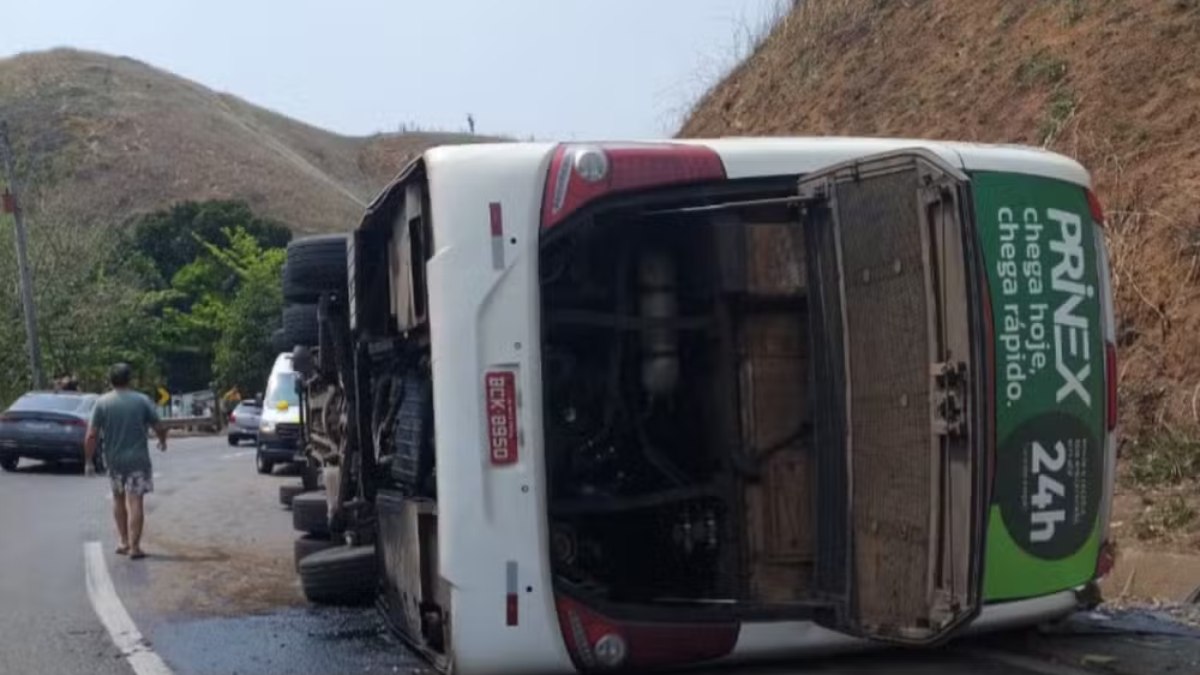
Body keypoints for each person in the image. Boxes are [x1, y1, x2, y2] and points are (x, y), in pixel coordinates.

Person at [84, 363, 168, 559]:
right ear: (129, 379)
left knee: (118, 498)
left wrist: (88, 461)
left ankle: (123, 541)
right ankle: (135, 547)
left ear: (110, 380)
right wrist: (162, 441)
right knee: (136, 500)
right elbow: (159, 426)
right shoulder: (142, 400)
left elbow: (91, 436)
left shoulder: (102, 403)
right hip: (138, 460)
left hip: (114, 461)